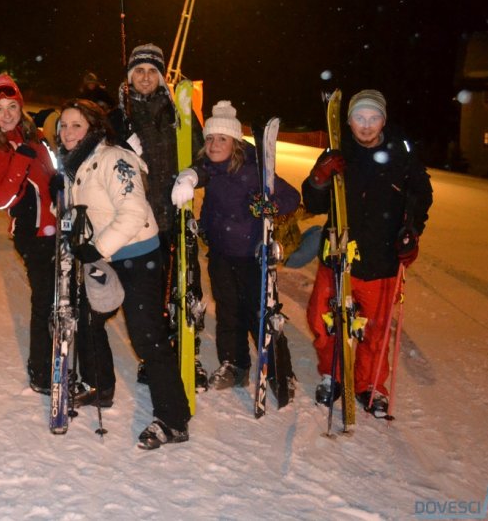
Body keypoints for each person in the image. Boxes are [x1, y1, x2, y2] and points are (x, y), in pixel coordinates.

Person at [58, 98, 190, 450]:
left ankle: (175, 419)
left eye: (76, 125)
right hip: (107, 256)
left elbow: (132, 212)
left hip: (137, 257)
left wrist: (96, 248)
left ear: (93, 129)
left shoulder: (114, 159)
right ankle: (100, 386)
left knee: (148, 337)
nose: (68, 132)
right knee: (89, 320)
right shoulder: (79, 163)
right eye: (63, 125)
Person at [302, 89, 432, 417]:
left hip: (382, 259)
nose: (366, 125)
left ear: (383, 121)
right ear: (349, 121)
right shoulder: (339, 151)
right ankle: (333, 374)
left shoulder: (400, 152)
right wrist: (319, 178)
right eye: (360, 118)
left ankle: (370, 384)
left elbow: (421, 194)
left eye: (373, 118)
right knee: (324, 320)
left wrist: (411, 231)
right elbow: (315, 203)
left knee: (374, 328)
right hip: (338, 254)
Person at [172, 101, 300, 391]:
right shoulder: (209, 169)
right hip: (220, 254)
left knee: (260, 313)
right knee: (228, 311)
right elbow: (213, 204)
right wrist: (204, 227)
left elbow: (291, 196)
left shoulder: (255, 170)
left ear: (236, 143)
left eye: (222, 139)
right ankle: (235, 363)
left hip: (252, 256)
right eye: (210, 139)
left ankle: (281, 371)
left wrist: (271, 205)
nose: (215, 144)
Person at [109, 43, 208, 390]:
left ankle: (188, 353)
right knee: (146, 296)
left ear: (161, 76)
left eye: (152, 71)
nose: (146, 77)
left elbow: (204, 155)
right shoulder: (118, 115)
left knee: (185, 288)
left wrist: (193, 175)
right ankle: (155, 355)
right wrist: (120, 141)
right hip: (139, 223)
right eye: (139, 71)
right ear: (130, 77)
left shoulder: (177, 109)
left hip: (177, 217)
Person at [0, 74, 58, 393]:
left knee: (62, 299)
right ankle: (40, 367)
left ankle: (61, 356)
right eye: (0, 109)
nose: (8, 113)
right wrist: (19, 164)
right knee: (45, 300)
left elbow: (53, 173)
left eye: (12, 106)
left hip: (58, 229)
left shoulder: (35, 136)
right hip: (32, 234)